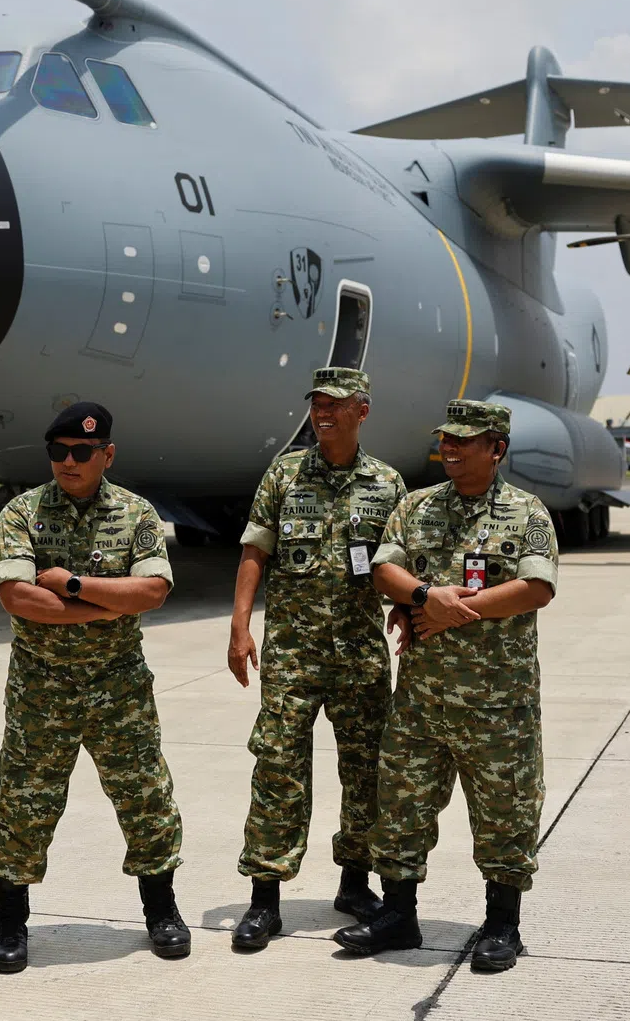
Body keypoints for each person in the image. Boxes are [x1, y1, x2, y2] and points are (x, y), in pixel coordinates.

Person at [334, 399, 557, 973]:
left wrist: (456, 609)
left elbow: (536, 587)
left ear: (497, 449)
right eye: (446, 439)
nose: (450, 449)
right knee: (401, 805)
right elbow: (385, 568)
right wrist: (421, 598)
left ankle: (503, 925)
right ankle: (398, 915)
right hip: (422, 699)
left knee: (505, 812)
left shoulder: (527, 512)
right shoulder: (414, 507)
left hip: (498, 701)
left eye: (466, 440)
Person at [0, 401, 187, 971]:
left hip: (118, 688)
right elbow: (18, 597)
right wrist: (104, 605)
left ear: (107, 454)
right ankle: (9, 922)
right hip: (39, 690)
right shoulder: (22, 513)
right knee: (23, 805)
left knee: (145, 797)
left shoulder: (136, 513)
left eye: (81, 452)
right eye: (58, 452)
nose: (68, 462)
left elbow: (152, 592)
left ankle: (162, 910)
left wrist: (72, 585)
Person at [228, 367, 406, 949]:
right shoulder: (285, 474)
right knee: (277, 766)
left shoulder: (387, 484)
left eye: (335, 404)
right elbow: (257, 547)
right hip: (292, 652)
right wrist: (239, 625)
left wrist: (406, 611)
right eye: (316, 404)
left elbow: (403, 565)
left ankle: (355, 883)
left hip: (359, 653)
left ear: (362, 411)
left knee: (365, 772)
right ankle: (264, 899)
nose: (322, 414)